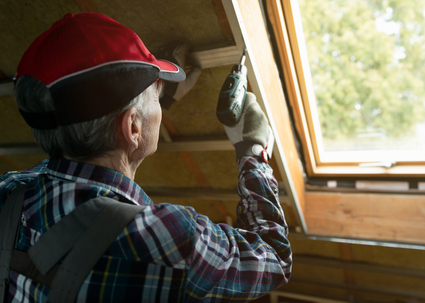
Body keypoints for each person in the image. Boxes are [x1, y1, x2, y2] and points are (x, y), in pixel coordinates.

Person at [0, 12, 292, 302]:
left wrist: (143, 112)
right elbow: (274, 258)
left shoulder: (9, 190)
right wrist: (253, 152)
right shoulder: (170, 238)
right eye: (157, 94)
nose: (161, 101)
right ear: (133, 127)